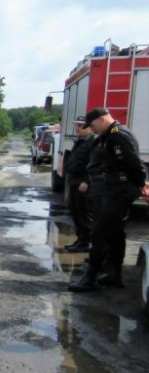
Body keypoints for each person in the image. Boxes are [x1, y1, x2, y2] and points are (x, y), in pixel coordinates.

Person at [69, 108, 145, 292]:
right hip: (111, 191)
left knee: (99, 233)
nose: (92, 129)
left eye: (93, 125)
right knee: (114, 234)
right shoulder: (107, 135)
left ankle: (90, 278)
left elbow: (134, 165)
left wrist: (137, 187)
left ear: (103, 119)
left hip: (117, 192)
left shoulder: (118, 136)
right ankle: (113, 274)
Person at [63, 116, 95, 253]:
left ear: (89, 127)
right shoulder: (80, 141)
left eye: (81, 126)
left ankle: (86, 242)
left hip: (82, 184)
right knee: (75, 212)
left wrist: (86, 181)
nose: (77, 128)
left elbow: (94, 164)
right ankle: (80, 240)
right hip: (74, 181)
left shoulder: (92, 142)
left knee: (83, 214)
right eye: (76, 126)